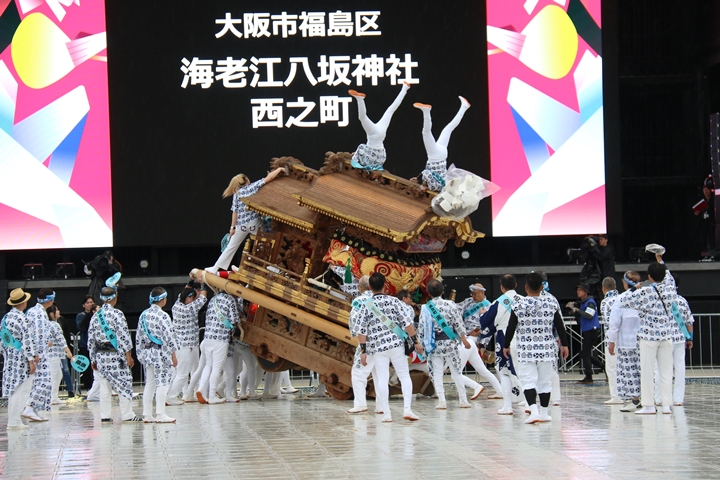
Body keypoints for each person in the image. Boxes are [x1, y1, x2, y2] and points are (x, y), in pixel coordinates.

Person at [349, 273, 421, 422]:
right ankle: (407, 409)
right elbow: (407, 324)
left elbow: (361, 331)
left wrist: (363, 351)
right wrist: (416, 341)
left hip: (378, 348)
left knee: (382, 378)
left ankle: (386, 413)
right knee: (404, 376)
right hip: (396, 345)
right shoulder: (394, 301)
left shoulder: (366, 305)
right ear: (385, 285)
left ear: (369, 287)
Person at [503, 272, 569, 424]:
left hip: (526, 350)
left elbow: (511, 327)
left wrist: (506, 345)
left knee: (528, 381)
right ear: (542, 287)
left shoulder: (518, 305)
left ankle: (534, 412)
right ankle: (544, 413)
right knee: (545, 382)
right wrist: (564, 344)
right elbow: (560, 326)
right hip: (546, 349)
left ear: (526, 287)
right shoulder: (551, 304)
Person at [616, 252, 676, 415]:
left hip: (648, 336)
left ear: (649, 276)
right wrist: (661, 260)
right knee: (666, 372)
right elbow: (670, 278)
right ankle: (666, 405)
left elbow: (624, 301)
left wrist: (633, 289)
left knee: (647, 371)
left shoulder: (645, 292)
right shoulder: (670, 290)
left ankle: (649, 405)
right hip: (666, 335)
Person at [206, 168, 284, 274]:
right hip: (254, 223)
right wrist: (279, 169)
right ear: (247, 179)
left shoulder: (237, 194)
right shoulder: (252, 187)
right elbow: (269, 178)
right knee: (266, 243)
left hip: (240, 225)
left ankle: (215, 268)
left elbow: (235, 212)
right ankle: (271, 267)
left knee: (231, 247)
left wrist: (232, 228)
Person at [87, 285, 142, 423]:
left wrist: (93, 359)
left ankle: (105, 416)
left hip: (101, 356)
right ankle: (127, 414)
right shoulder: (117, 314)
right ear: (115, 298)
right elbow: (123, 336)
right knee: (124, 384)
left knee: (104, 387)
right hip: (116, 356)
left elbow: (91, 339)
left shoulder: (95, 316)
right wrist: (128, 355)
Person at [420, 279, 473, 410]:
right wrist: (464, 339)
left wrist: (421, 345)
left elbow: (422, 328)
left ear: (428, 293)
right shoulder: (450, 305)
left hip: (434, 345)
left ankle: (442, 401)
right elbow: (458, 323)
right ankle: (463, 400)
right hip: (450, 343)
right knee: (456, 372)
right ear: (442, 291)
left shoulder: (425, 308)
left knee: (437, 373)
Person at [479, 274, 523, 415]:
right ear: (516, 285)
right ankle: (529, 403)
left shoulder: (498, 302)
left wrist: (482, 314)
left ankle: (508, 406)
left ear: (501, 287)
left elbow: (485, 322)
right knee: (524, 371)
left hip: (504, 337)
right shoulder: (523, 300)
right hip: (523, 338)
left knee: (504, 372)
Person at [136, 287, 179, 423]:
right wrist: (173, 354)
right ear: (163, 300)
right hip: (161, 353)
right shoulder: (163, 316)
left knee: (150, 384)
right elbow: (170, 336)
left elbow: (138, 336)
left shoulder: (143, 315)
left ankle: (147, 414)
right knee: (162, 383)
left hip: (147, 353)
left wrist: (141, 354)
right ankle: (160, 413)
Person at [412, 96, 471, 191]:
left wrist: (418, 178)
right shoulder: (435, 186)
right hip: (435, 155)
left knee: (448, 128)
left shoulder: (442, 181)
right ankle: (426, 112)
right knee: (426, 132)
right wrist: (423, 185)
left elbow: (428, 172)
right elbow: (427, 173)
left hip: (443, 155)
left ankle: (464, 107)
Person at [456, 283, 503, 400]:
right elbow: (455, 309)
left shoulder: (489, 306)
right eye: (471, 293)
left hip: (473, 340)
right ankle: (500, 391)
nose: (472, 296)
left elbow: (491, 326)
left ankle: (475, 387)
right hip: (465, 336)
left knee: (456, 371)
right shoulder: (467, 301)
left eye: (475, 293)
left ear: (482, 292)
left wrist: (481, 340)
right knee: (483, 370)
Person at [348, 82, 410, 170]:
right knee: (366, 117)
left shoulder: (368, 158)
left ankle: (404, 89)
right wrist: (356, 158)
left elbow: (355, 163)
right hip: (377, 144)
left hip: (380, 154)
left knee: (389, 110)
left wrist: (355, 159)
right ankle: (404, 89)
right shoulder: (366, 156)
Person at [166, 283, 208, 405]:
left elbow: (183, 293)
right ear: (189, 298)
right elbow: (203, 298)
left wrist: (191, 282)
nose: (195, 300)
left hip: (186, 345)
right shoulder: (188, 309)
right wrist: (203, 283)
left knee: (192, 370)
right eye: (193, 298)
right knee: (182, 374)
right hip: (186, 346)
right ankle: (171, 397)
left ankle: (188, 394)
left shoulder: (176, 305)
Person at [196, 291, 240, 404]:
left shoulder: (213, 299)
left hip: (207, 337)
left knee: (208, 365)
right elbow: (234, 320)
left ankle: (201, 388)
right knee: (217, 368)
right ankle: (212, 396)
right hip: (221, 339)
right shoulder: (230, 300)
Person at [607, 271, 642, 412]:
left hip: (626, 343)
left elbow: (614, 322)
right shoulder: (645, 296)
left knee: (629, 372)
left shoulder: (621, 299)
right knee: (644, 370)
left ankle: (634, 399)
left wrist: (611, 341)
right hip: (644, 341)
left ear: (625, 283)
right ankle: (647, 399)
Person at [2, 288, 37, 430]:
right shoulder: (22, 318)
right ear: (23, 303)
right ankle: (14, 421)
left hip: (10, 358)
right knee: (22, 390)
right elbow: (27, 341)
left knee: (13, 391)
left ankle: (13, 419)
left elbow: (3, 340)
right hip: (21, 359)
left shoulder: (6, 318)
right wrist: (31, 360)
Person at [653, 293, 694, 406]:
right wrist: (690, 338)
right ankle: (678, 399)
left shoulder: (658, 300)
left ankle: (659, 398)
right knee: (680, 368)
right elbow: (689, 321)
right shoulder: (682, 300)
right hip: (679, 338)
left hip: (664, 339)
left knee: (660, 368)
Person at [23, 288, 56, 422]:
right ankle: (30, 407)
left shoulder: (33, 311)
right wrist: (35, 353)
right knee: (45, 380)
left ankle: (34, 409)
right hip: (39, 354)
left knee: (38, 382)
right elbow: (37, 334)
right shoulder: (39, 314)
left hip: (38, 352)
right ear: (50, 300)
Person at [568, 283, 604, 384]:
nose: (578, 292)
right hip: (587, 330)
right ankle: (603, 368)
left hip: (592, 329)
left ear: (586, 292)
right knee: (585, 353)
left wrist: (577, 310)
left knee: (585, 353)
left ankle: (589, 377)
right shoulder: (583, 303)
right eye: (577, 290)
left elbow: (589, 315)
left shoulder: (590, 302)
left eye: (580, 290)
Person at [46, 304, 75, 405]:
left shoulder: (46, 324)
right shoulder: (54, 325)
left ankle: (54, 397)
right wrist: (68, 351)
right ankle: (51, 397)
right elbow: (61, 339)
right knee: (54, 375)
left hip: (53, 354)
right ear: (51, 314)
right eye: (56, 310)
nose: (58, 312)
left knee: (58, 375)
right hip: (53, 355)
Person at [599, 277, 622, 405]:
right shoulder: (623, 298)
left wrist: (611, 340)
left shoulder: (606, 302)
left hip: (612, 339)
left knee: (612, 367)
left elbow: (610, 322)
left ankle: (616, 395)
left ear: (603, 288)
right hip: (625, 338)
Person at [76, 295, 96, 393]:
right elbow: (81, 327)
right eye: (88, 303)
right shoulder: (81, 315)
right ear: (83, 305)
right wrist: (89, 315)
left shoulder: (96, 314)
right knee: (87, 366)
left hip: (96, 345)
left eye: (91, 302)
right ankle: (88, 385)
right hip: (85, 344)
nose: (90, 304)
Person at [56, 308, 76, 398]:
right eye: (56, 310)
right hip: (53, 352)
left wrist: (67, 349)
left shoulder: (61, 320)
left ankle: (70, 389)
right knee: (56, 372)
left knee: (65, 370)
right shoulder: (52, 324)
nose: (58, 311)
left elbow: (65, 336)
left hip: (62, 350)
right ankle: (53, 393)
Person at [695, 176, 716, 257]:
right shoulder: (701, 201)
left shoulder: (713, 200)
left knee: (712, 239)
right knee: (703, 239)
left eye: (707, 190)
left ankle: (713, 254)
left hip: (711, 223)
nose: (706, 192)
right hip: (703, 223)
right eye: (704, 190)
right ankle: (704, 255)